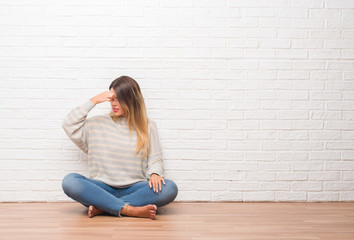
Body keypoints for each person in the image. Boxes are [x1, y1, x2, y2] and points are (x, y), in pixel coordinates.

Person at [61, 76, 178, 220]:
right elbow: (68, 124)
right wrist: (94, 100)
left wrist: (155, 173)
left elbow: (155, 158)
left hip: (135, 188)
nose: (114, 104)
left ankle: (105, 207)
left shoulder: (148, 126)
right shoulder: (96, 124)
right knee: (70, 181)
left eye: (119, 99)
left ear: (132, 99)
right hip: (101, 188)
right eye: (112, 99)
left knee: (170, 188)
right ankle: (130, 210)